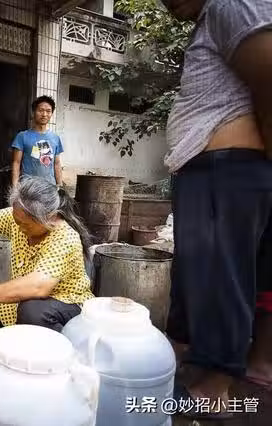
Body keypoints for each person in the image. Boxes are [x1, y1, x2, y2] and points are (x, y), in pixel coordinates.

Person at [161, 0, 272, 418]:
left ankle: (214, 389)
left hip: (227, 167)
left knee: (222, 277)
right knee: (198, 272)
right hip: (212, 168)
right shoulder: (215, 14)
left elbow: (269, 72)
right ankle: (187, 362)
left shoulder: (230, 3)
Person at [0, 176, 93, 332]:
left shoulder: (65, 238)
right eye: (17, 221)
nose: (20, 228)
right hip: (31, 300)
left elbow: (38, 286)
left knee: (32, 312)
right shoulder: (21, 215)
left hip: (67, 303)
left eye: (27, 225)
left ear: (49, 217)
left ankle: (63, 343)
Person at [11, 96, 64, 187]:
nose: (44, 114)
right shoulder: (22, 136)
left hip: (49, 188)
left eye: (48, 111)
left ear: (51, 113)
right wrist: (15, 187)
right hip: (28, 188)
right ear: (33, 112)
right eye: (41, 110)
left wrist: (60, 186)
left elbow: (57, 163)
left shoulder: (55, 138)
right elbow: (16, 163)